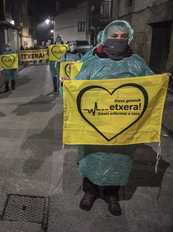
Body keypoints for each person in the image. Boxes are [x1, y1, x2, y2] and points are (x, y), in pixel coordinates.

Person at [65, 20, 155, 216]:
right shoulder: (92, 63)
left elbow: (151, 86)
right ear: (105, 38)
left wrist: (161, 81)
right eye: (114, 36)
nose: (119, 40)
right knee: (92, 158)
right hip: (95, 123)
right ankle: (90, 192)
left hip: (124, 124)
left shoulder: (137, 63)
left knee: (118, 160)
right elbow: (76, 92)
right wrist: (68, 86)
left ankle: (111, 195)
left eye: (123, 36)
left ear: (129, 38)